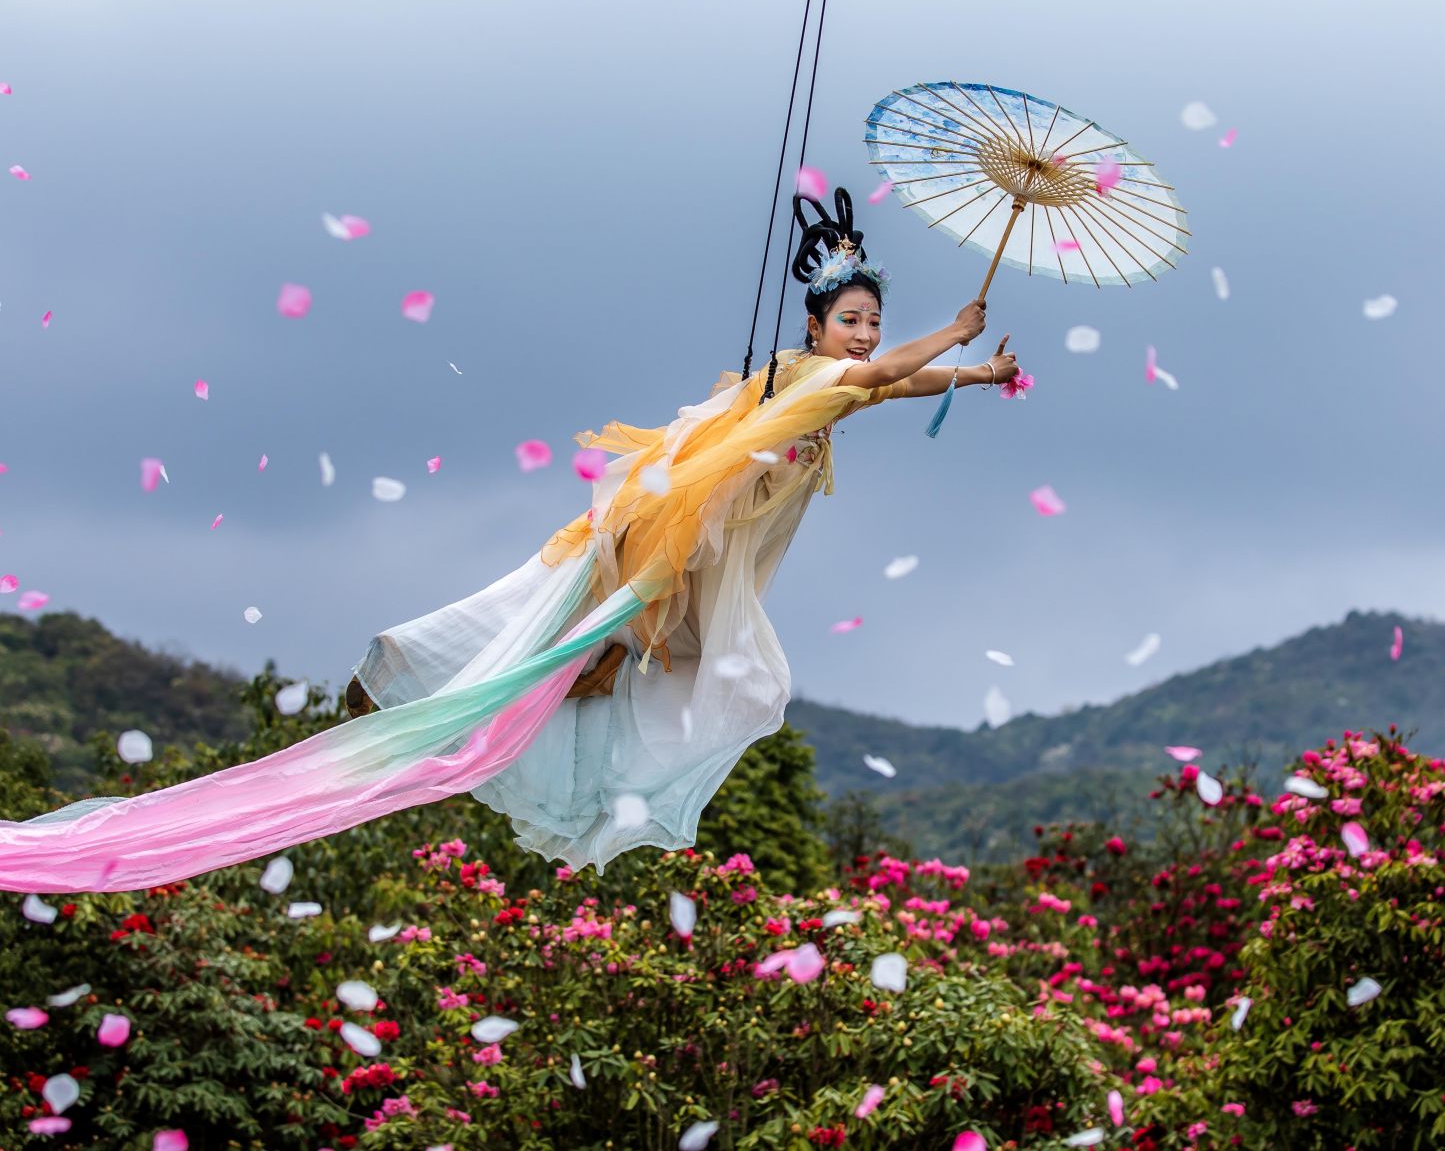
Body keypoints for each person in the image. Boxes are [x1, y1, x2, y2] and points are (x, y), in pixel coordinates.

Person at [0, 187, 1019, 892]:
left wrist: (969, 373)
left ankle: (543, 678)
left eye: (874, 319)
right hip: (689, 545)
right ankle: (417, 669)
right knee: (682, 661)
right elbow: (880, 379)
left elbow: (894, 384)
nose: (868, 332)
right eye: (854, 316)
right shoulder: (810, 375)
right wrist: (953, 333)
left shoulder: (838, 385)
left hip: (709, 558)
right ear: (820, 322)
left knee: (675, 664)